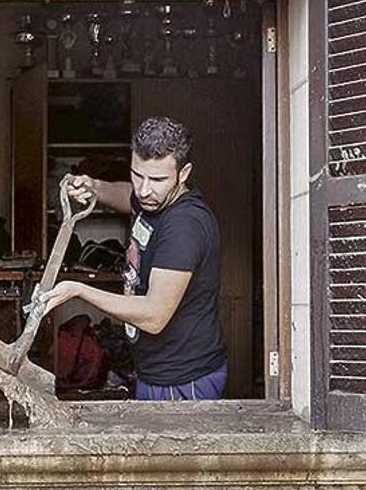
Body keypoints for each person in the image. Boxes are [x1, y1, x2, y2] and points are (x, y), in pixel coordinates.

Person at [39, 116, 227, 400]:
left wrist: (78, 290)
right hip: (155, 371)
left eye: (158, 179)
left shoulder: (183, 227)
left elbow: (154, 316)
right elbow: (130, 197)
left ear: (184, 173)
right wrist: (95, 187)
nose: (144, 189)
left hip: (183, 380)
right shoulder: (153, 199)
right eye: (138, 175)